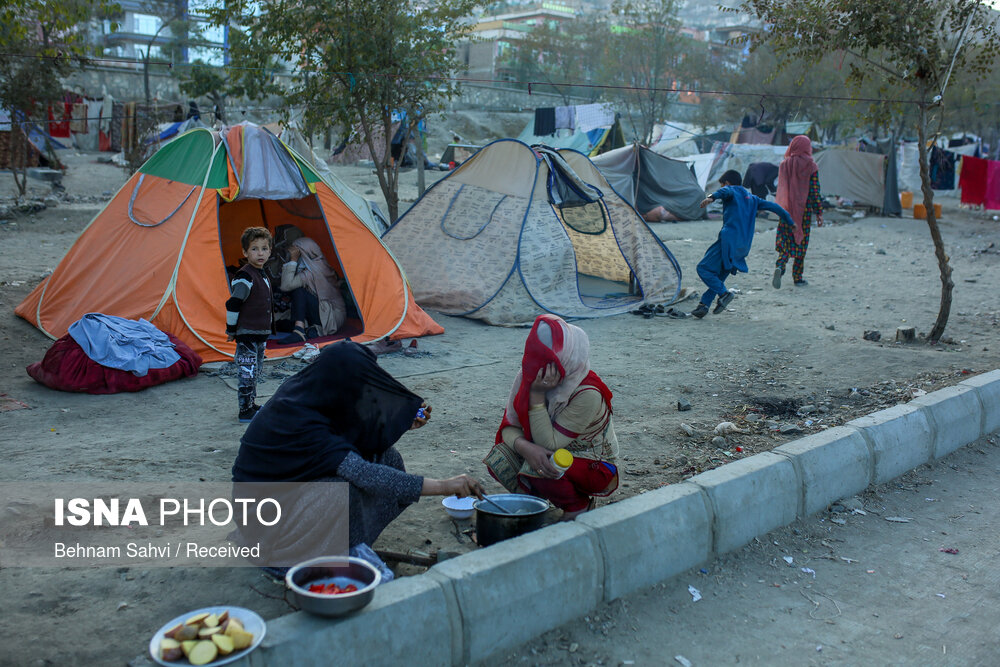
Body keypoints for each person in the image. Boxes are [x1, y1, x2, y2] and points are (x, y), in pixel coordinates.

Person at [232, 342, 483, 577]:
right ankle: (289, 561)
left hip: (292, 494)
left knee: (388, 458)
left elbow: (357, 435)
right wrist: (443, 486)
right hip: (262, 522)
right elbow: (362, 473)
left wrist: (401, 422)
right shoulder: (297, 417)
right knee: (340, 492)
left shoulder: (319, 390)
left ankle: (348, 543)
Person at [483, 314, 619, 520]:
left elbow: (550, 443)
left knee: (539, 467)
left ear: (566, 358)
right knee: (501, 457)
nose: (538, 368)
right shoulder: (531, 373)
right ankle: (541, 498)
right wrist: (525, 447)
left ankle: (578, 506)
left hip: (594, 464)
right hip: (552, 451)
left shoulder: (587, 392)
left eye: (548, 361)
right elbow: (509, 427)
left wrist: (537, 396)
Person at [692, 170, 794, 319]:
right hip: (743, 246)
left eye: (723, 184)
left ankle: (724, 294)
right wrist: (790, 222)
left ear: (727, 182)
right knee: (720, 274)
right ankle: (704, 305)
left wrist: (711, 197)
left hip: (728, 240)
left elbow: (725, 191)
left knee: (703, 268)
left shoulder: (731, 190)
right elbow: (776, 207)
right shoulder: (753, 199)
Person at [225, 227, 273, 423]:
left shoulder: (262, 274)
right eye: (254, 249)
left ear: (270, 251)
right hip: (246, 335)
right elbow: (233, 303)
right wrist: (231, 329)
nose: (260, 253)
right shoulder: (245, 276)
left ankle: (251, 404)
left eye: (264, 248)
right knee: (247, 372)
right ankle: (244, 410)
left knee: (255, 371)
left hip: (259, 334)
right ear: (245, 252)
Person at [774, 135, 823, 288]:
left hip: (786, 209)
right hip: (805, 210)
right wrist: (819, 211)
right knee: (801, 241)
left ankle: (780, 266)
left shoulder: (784, 164)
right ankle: (797, 277)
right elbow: (815, 191)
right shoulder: (811, 165)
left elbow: (781, 188)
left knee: (786, 240)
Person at [279, 237, 347, 343]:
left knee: (298, 290)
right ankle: (308, 329)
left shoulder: (313, 271)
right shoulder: (317, 263)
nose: (294, 254)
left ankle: (299, 330)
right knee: (280, 324)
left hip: (330, 316)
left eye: (297, 253)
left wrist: (293, 260)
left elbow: (286, 285)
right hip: (322, 310)